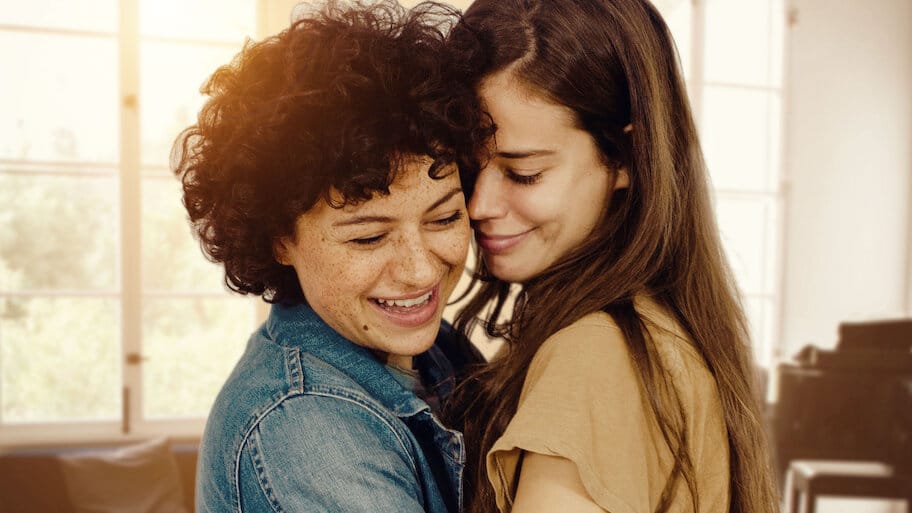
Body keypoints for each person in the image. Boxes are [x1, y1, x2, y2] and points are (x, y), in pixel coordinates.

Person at [444, 1, 780, 512]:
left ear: (624, 157)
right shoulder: (656, 332)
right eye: (470, 167)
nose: (478, 206)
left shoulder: (595, 355)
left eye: (525, 173)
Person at [171, 1, 489, 511]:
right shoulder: (302, 429)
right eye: (367, 238)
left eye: (444, 218)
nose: (421, 269)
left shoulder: (439, 351)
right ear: (278, 238)